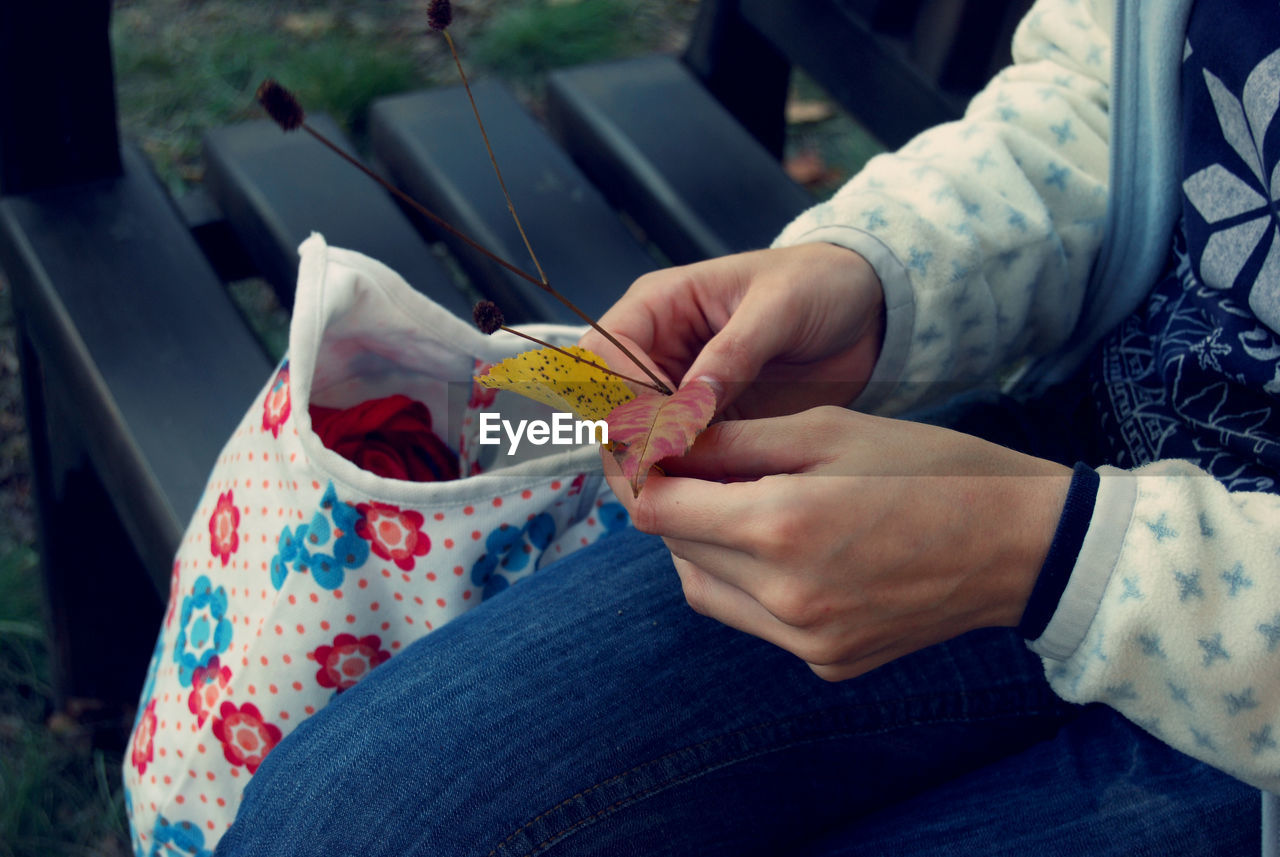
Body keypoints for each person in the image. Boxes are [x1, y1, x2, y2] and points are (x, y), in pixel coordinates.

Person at [213, 0, 1280, 853]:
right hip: (1064, 457)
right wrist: (868, 275)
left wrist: (1045, 560)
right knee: (342, 821)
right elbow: (1112, 89)